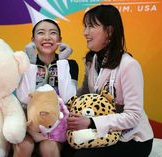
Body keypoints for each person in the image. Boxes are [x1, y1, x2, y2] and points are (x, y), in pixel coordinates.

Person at [63, 4, 154, 157]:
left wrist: (91, 122)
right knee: (65, 149)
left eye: (91, 26)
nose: (85, 32)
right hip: (103, 134)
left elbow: (133, 116)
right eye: (85, 27)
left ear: (109, 31)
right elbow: (83, 94)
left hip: (132, 139)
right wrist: (64, 106)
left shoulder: (129, 65)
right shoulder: (92, 60)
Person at [14, 19, 79, 157]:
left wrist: (62, 62)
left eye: (53, 33)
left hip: (56, 128)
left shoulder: (70, 64)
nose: (47, 37)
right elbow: (24, 97)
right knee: (24, 146)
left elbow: (68, 97)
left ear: (60, 39)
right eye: (41, 33)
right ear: (33, 39)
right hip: (28, 125)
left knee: (48, 148)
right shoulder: (24, 63)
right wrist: (30, 64)